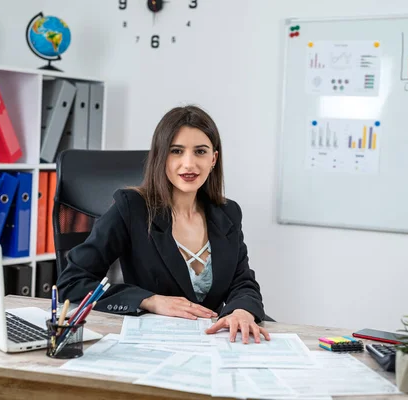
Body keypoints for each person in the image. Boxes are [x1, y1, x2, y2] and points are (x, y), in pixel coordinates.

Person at [56, 105, 270, 344]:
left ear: (214, 159)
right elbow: (72, 281)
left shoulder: (228, 213)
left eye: (200, 151)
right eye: (176, 151)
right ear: (161, 156)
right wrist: (150, 300)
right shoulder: (132, 208)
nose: (189, 164)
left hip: (213, 342)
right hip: (152, 341)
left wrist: (241, 310)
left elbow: (243, 281)